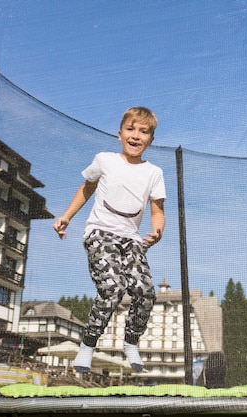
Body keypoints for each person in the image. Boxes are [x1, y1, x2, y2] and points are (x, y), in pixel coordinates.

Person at [53, 107, 166, 373]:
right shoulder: (104, 160)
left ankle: (130, 341)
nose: (136, 136)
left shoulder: (154, 172)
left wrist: (157, 232)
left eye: (143, 132)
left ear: (150, 139)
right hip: (100, 233)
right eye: (131, 129)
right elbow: (86, 188)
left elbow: (157, 210)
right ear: (120, 134)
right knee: (113, 288)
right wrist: (67, 216)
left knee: (145, 291)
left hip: (131, 239)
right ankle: (88, 346)